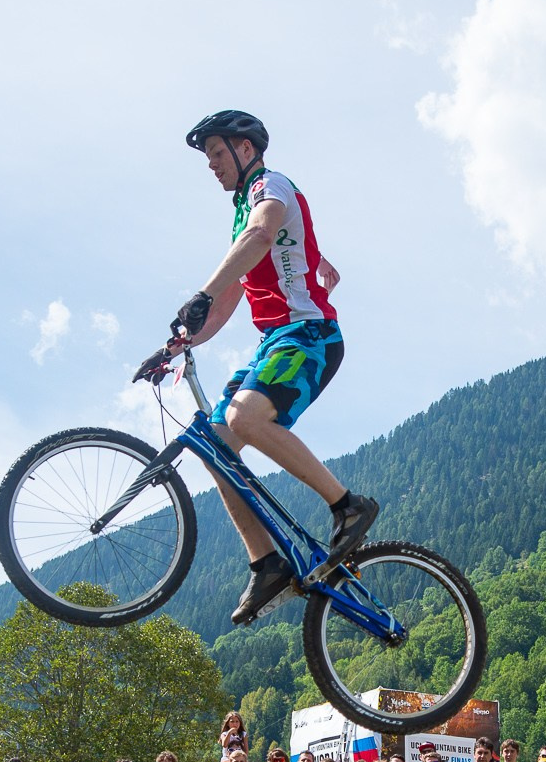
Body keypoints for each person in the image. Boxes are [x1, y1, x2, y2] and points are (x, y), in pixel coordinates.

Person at [137, 110, 375, 625]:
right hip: (275, 342)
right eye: (207, 160)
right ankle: (266, 563)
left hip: (309, 334)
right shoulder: (241, 212)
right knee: (218, 446)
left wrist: (200, 293)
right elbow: (224, 304)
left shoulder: (273, 186)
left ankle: (347, 505)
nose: (212, 166)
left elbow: (263, 236)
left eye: (217, 154)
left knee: (244, 417)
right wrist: (179, 343)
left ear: (246, 149)